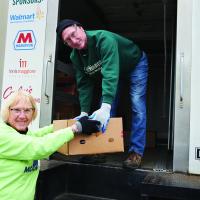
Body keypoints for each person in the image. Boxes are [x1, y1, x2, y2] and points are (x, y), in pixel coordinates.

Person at [56, 19, 149, 169]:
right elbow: (84, 84)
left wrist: (106, 106)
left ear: (80, 28)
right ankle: (100, 149)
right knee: (103, 109)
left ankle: (136, 152)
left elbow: (110, 74)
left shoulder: (104, 39)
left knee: (136, 104)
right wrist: (84, 112)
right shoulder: (75, 56)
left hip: (134, 64)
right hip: (113, 71)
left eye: (74, 34)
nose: (74, 40)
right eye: (68, 40)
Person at [0, 91, 100, 200]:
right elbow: (38, 146)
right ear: (7, 111)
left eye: (27, 110)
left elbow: (38, 134)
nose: (22, 116)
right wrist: (74, 128)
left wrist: (67, 123)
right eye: (17, 110)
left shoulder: (21, 132)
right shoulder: (3, 135)